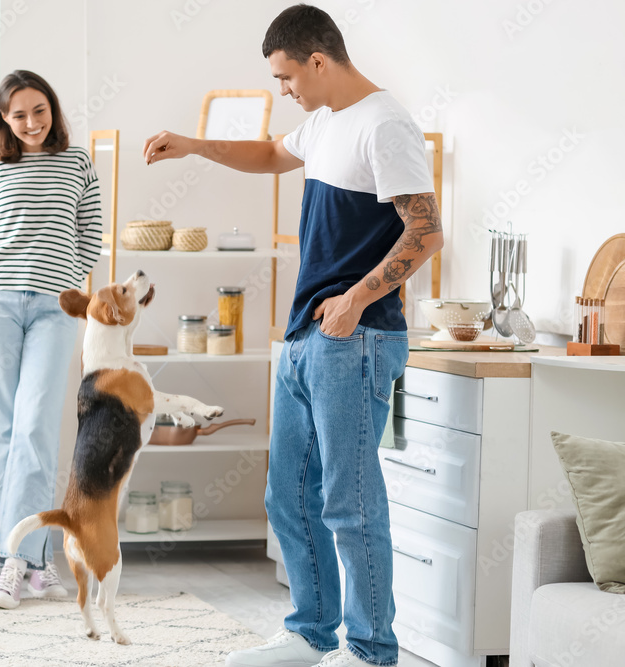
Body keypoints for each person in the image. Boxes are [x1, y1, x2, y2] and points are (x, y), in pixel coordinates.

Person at [143, 5, 443, 667]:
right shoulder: (327, 119)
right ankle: (311, 632)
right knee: (290, 494)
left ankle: (370, 650)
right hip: (308, 336)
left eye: (285, 77)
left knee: (350, 499)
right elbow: (272, 153)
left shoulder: (385, 123)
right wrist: (196, 146)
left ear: (318, 58)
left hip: (355, 335)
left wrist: (356, 301)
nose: (284, 91)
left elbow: (425, 232)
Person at [0, 69, 103, 610]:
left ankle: (16, 561)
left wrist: (65, 283)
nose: (31, 123)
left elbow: (90, 233)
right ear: (4, 120)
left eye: (39, 110)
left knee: (36, 428)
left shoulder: (78, 161)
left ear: (52, 109)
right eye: (18, 115)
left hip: (55, 311)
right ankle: (32, 564)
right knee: (2, 433)